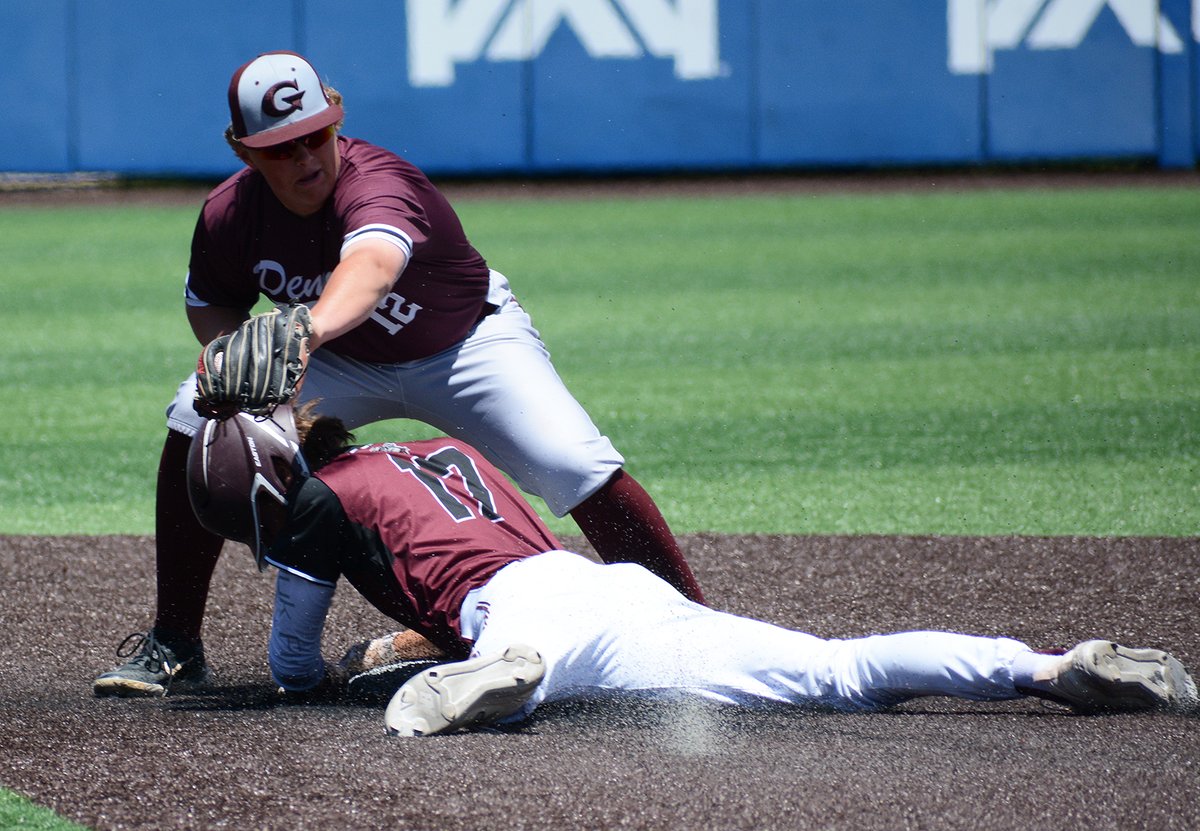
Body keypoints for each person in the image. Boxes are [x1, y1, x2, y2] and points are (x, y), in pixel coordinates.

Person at [93, 51, 704, 697]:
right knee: (200, 414)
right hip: (340, 360)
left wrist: (305, 333)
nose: (305, 159)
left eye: (315, 136)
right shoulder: (229, 214)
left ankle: (690, 632)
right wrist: (237, 357)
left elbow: (374, 266)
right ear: (244, 152)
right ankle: (175, 644)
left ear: (337, 121)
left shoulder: (378, 181)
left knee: (575, 464)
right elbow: (211, 302)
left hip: (465, 345)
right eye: (280, 149)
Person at [181, 406, 1196, 736]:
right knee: (841, 673)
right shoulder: (424, 448)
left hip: (525, 619)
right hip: (606, 586)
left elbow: (291, 668)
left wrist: (335, 662)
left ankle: (510, 678)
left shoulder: (318, 506)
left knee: (438, 704)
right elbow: (447, 559)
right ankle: (1045, 667)